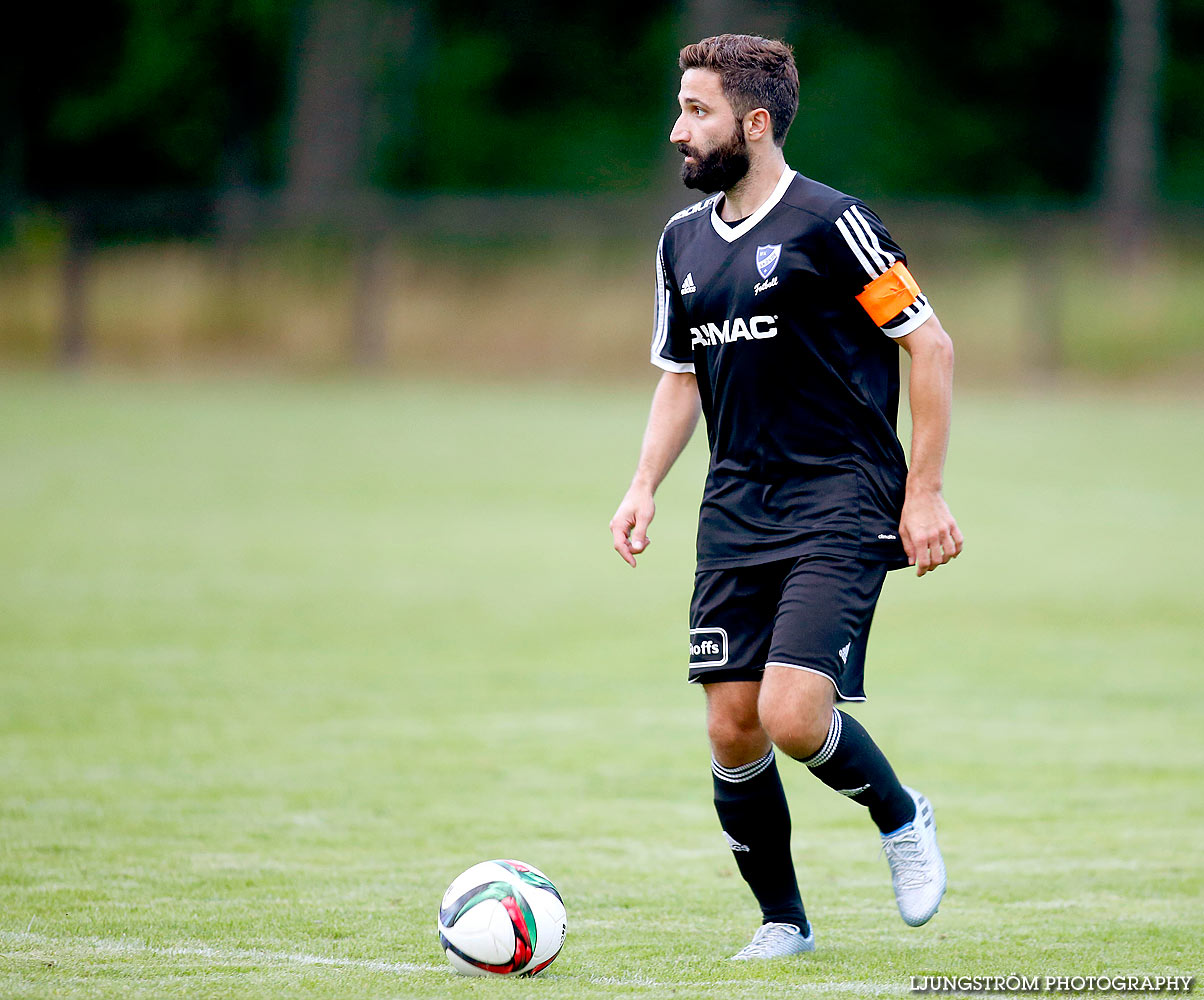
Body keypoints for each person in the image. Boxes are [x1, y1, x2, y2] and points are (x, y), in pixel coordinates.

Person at [609, 34, 963, 961]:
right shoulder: (680, 241)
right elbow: (680, 376)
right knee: (731, 725)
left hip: (841, 500)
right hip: (735, 509)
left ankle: (901, 814)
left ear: (753, 123)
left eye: (697, 112)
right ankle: (783, 922)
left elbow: (930, 346)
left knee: (793, 715)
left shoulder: (832, 224)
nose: (677, 130)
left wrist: (922, 494)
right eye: (681, 108)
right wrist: (643, 486)